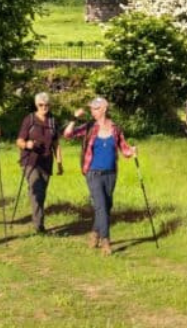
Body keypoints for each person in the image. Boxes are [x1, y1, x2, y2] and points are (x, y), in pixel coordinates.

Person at [63, 97, 136, 255]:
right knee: (101, 206)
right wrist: (74, 119)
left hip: (111, 173)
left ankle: (95, 233)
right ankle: (106, 241)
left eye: (95, 108)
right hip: (93, 173)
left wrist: (132, 151)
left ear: (104, 109)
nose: (92, 111)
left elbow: (124, 149)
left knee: (107, 206)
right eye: (91, 108)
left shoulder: (115, 128)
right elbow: (68, 135)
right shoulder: (89, 127)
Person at [15, 92, 63, 234]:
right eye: (41, 105)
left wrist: (60, 163)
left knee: (41, 193)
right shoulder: (29, 119)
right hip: (30, 161)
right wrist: (27, 144)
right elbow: (19, 141)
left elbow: (56, 144)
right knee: (36, 191)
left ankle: (38, 222)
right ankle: (39, 225)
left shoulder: (53, 121)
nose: (44, 107)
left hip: (46, 161)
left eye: (47, 105)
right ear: (37, 105)